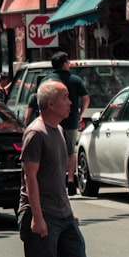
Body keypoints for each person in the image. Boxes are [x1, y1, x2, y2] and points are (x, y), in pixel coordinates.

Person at [17, 79, 88, 257]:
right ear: (50, 103)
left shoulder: (56, 129)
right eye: (66, 97)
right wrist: (37, 217)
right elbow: (30, 179)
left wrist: (69, 208)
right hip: (42, 212)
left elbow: (57, 176)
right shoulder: (36, 133)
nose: (71, 102)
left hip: (62, 212)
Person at [45, 51, 90, 193]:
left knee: (53, 151)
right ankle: (71, 181)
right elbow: (86, 98)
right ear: (65, 64)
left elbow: (40, 99)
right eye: (68, 62)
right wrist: (80, 113)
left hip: (51, 121)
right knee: (71, 151)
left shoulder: (47, 80)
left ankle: (57, 180)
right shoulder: (75, 80)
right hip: (71, 121)